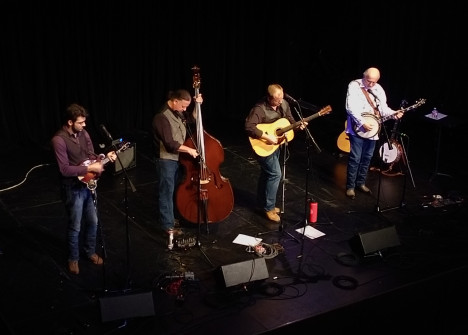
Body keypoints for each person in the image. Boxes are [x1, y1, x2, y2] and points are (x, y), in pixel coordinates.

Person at [51, 103, 117, 275]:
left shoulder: (84, 133)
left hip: (88, 186)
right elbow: (64, 169)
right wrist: (89, 169)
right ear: (70, 122)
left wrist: (103, 157)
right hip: (72, 188)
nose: (84, 125)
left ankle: (89, 251)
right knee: (75, 226)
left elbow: (90, 155)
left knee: (93, 222)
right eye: (80, 122)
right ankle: (73, 259)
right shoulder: (59, 140)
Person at [245, 84, 307, 223]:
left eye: (281, 98)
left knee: (267, 174)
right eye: (277, 99)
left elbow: (290, 122)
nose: (280, 101)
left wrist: (298, 126)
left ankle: (262, 204)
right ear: (269, 98)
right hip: (262, 146)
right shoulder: (259, 109)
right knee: (275, 174)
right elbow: (249, 127)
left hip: (275, 146)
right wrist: (267, 137)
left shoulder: (284, 104)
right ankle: (269, 208)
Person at [345, 67, 403, 199]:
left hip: (373, 130)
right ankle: (350, 186)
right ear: (364, 76)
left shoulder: (379, 89)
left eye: (374, 82)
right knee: (355, 157)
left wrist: (394, 113)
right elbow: (350, 107)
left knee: (367, 157)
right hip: (357, 128)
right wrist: (361, 122)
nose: (371, 84)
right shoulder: (354, 85)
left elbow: (383, 108)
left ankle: (361, 183)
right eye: (368, 81)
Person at [152, 89, 203, 239]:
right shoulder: (161, 118)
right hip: (166, 159)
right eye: (183, 106)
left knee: (174, 189)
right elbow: (170, 144)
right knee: (166, 192)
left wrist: (197, 106)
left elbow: (191, 121)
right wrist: (189, 150)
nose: (184, 110)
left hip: (177, 159)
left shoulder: (177, 112)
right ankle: (167, 226)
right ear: (175, 101)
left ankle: (170, 217)